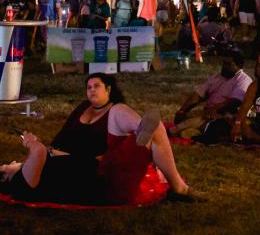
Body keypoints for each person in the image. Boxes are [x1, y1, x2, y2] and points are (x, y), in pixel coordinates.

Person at [0, 74, 203, 204]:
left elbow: (52, 147)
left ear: (108, 89)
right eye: (6, 166)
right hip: (104, 177)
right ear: (6, 176)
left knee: (121, 114)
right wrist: (30, 142)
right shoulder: (20, 183)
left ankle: (141, 131)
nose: (10, 162)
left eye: (97, 86)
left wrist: (48, 150)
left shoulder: (83, 108)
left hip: (102, 167)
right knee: (155, 127)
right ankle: (179, 187)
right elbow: (40, 151)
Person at [170, 49, 252, 138]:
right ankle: (195, 131)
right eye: (223, 63)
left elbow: (235, 102)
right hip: (209, 112)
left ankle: (174, 131)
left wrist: (214, 109)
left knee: (195, 121)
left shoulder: (244, 80)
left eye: (228, 64)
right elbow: (198, 94)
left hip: (225, 114)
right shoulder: (217, 77)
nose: (224, 66)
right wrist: (182, 110)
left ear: (239, 66)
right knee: (187, 117)